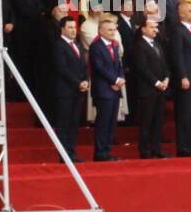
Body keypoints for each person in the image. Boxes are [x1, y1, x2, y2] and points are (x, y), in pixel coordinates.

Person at [168, 1, 191, 157]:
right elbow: (177, 56)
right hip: (187, 80)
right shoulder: (178, 31)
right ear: (181, 13)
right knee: (185, 115)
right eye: (190, 11)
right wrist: (183, 76)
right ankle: (183, 147)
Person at [50, 15, 88, 163]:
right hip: (65, 92)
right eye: (70, 27)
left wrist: (85, 80)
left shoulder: (77, 44)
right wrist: (78, 82)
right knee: (64, 124)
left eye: (74, 27)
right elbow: (62, 69)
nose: (73, 30)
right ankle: (63, 155)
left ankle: (71, 152)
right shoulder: (58, 45)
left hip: (77, 91)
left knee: (74, 124)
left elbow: (83, 65)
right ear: (62, 29)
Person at [89, 16, 126, 162]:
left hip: (115, 90)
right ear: (101, 31)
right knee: (103, 122)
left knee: (111, 123)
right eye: (110, 30)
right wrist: (115, 80)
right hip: (103, 90)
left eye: (114, 29)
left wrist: (120, 78)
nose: (113, 32)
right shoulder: (96, 46)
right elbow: (99, 67)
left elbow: (118, 65)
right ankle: (100, 153)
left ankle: (107, 151)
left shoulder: (114, 45)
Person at [132, 18, 169, 159]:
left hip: (161, 88)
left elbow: (164, 64)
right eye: (152, 27)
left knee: (158, 121)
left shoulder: (158, 44)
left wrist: (166, 78)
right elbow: (142, 68)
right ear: (143, 29)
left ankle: (156, 148)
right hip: (148, 89)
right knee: (147, 121)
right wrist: (156, 82)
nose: (156, 30)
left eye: (156, 27)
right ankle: (145, 150)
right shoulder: (139, 46)